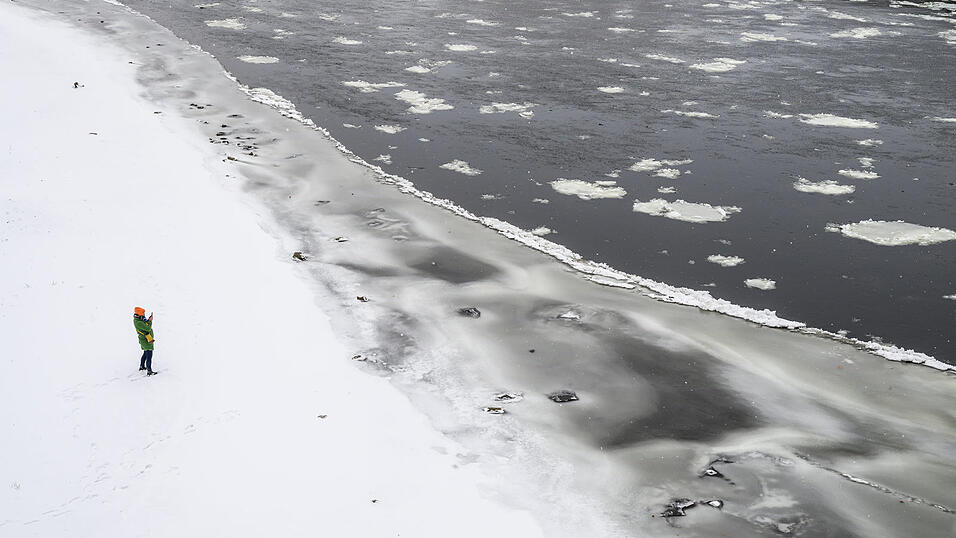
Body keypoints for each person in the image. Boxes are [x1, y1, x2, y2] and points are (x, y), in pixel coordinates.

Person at [133, 307, 157, 375]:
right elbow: (148, 328)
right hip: (146, 340)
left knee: (145, 353)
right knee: (149, 355)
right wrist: (150, 321)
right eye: (143, 313)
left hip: (145, 340)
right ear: (139, 314)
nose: (144, 314)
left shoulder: (139, 319)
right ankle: (149, 371)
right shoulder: (138, 322)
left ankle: (142, 366)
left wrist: (147, 320)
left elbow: (145, 324)